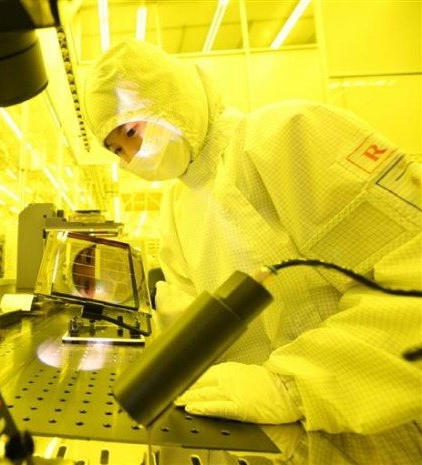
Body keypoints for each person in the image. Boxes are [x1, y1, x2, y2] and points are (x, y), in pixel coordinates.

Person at [83, 39, 421, 436]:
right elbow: (190, 321)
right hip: (265, 433)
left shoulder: (285, 134)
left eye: (131, 131)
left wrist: (293, 385)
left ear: (171, 96)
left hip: (378, 427)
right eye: (117, 150)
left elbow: (410, 279)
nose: (131, 158)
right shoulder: (177, 205)